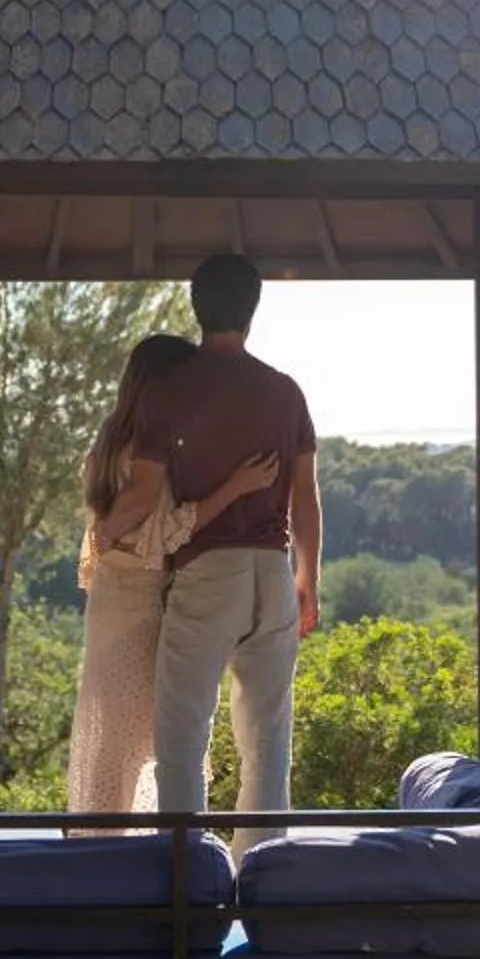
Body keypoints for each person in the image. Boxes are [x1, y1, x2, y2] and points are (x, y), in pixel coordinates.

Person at [118, 255, 322, 842]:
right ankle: (260, 878)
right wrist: (308, 578)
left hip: (209, 572)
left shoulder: (168, 390)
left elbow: (142, 493)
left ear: (195, 306)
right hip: (273, 572)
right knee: (267, 740)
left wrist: (106, 531)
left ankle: (189, 885)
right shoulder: (286, 393)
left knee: (182, 737)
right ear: (252, 310)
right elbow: (304, 497)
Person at [71, 334, 279, 816]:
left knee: (120, 729)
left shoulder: (112, 435)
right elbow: (164, 528)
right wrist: (237, 487)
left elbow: (116, 528)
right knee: (149, 732)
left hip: (117, 594)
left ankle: (105, 844)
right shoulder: (147, 443)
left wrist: (105, 535)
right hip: (139, 599)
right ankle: (122, 850)